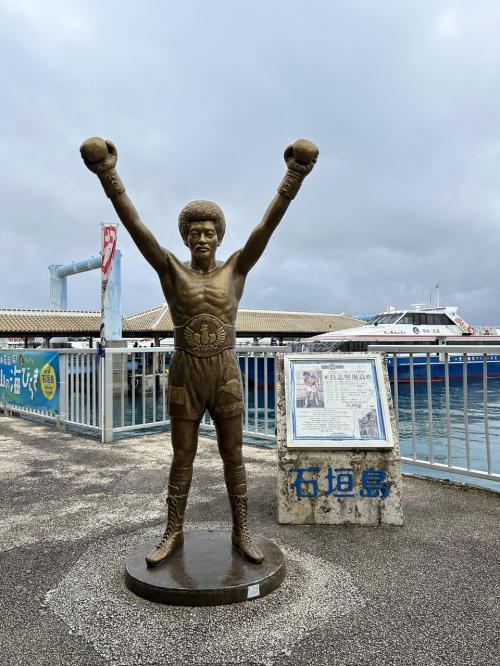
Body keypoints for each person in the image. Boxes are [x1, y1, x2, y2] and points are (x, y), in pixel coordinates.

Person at [80, 136, 318, 567]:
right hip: (186, 373)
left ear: (219, 236)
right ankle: (173, 531)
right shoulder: (170, 269)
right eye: (194, 232)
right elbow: (137, 228)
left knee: (234, 454)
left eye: (209, 232)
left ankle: (242, 529)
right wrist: (108, 176)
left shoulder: (237, 268)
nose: (202, 237)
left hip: (225, 370)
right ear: (185, 238)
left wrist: (294, 176)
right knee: (182, 454)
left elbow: (268, 225)